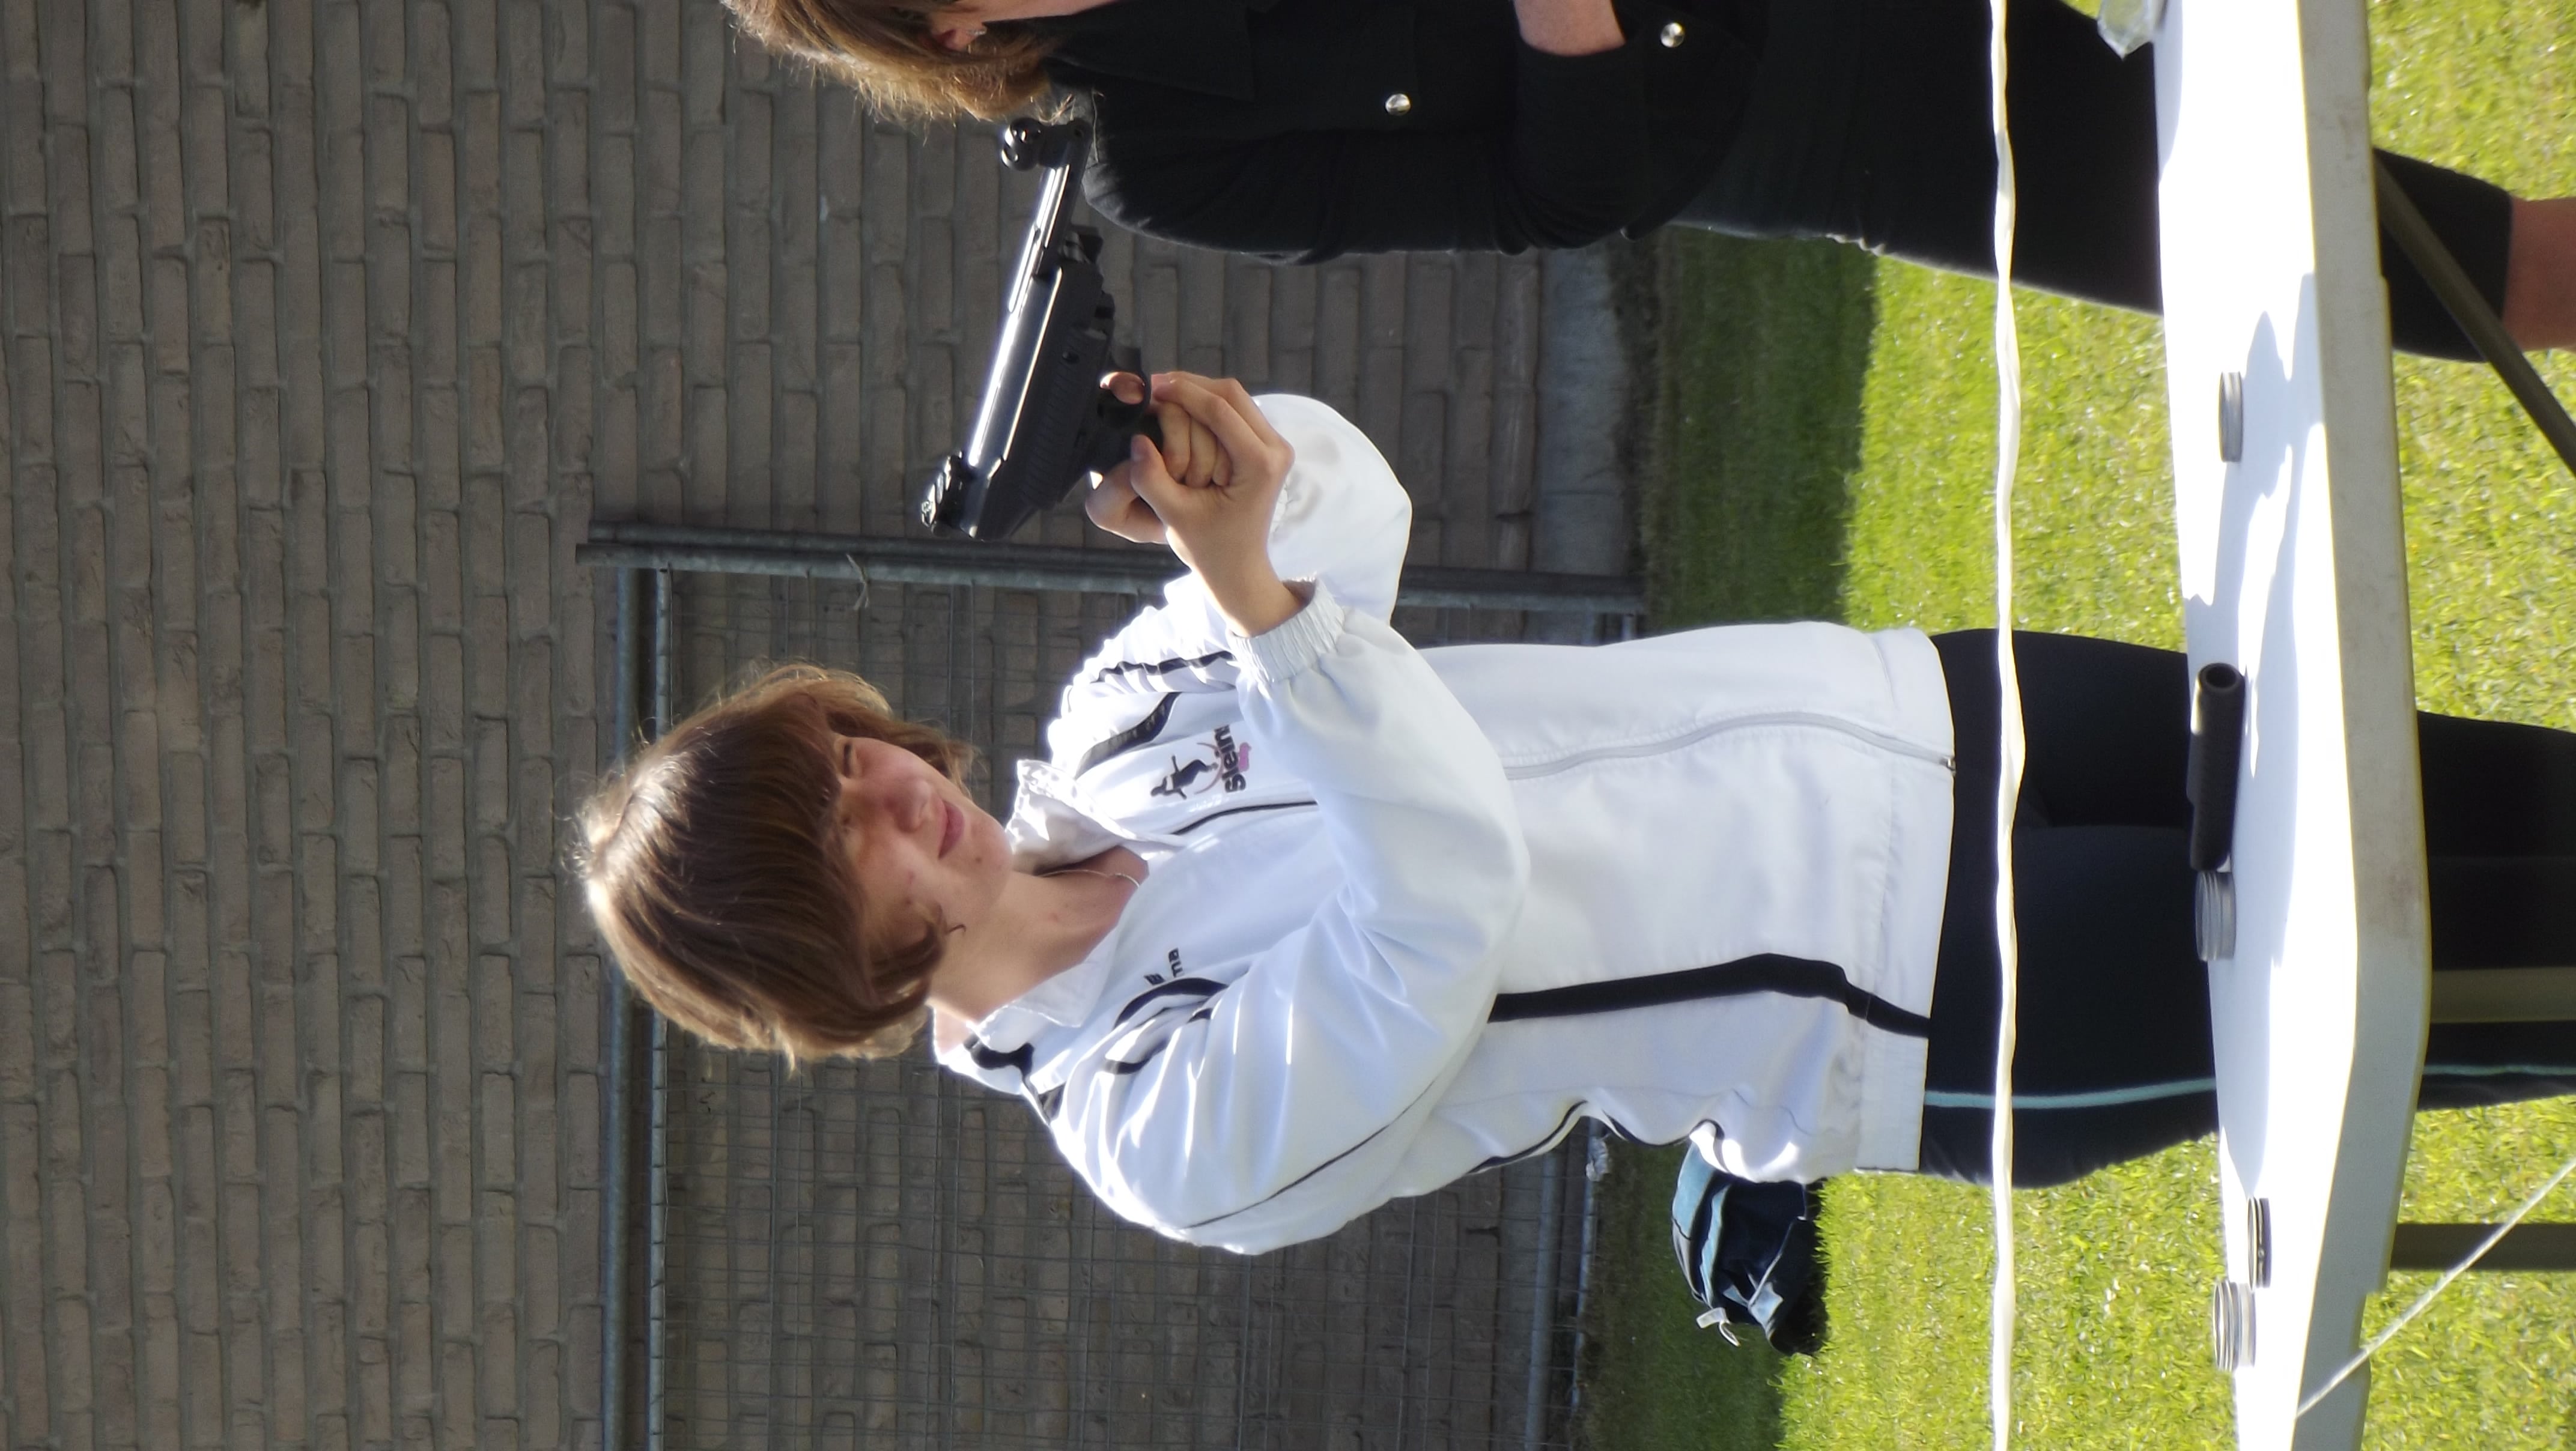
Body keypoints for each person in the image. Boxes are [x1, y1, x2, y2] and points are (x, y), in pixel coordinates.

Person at [579, 374, 2576, 1253]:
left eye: (838, 755)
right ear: (824, 969)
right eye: (829, 840)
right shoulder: (1150, 1128)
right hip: (1926, 1004)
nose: (887, 790)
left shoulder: (1109, 725)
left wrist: (1233, 467)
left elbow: (1351, 530)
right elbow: (1440, 906)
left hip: (1920, 706)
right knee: (2517, 963)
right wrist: (1264, 609)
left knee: (2487, 786)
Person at [723, 0, 2576, 360]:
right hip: (1827, 116)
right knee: (2428, 267)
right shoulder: (1162, 154)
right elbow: (1556, 203)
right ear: (950, 30)